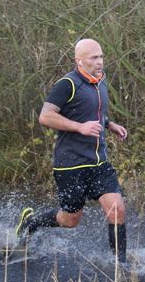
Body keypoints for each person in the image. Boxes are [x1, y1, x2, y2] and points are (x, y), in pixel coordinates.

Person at [16, 38, 128, 263]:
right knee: (70, 220)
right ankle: (31, 223)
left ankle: (121, 267)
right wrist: (80, 127)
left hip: (98, 162)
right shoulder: (67, 83)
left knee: (117, 210)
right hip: (71, 164)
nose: (100, 62)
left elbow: (92, 111)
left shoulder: (101, 82)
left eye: (101, 56)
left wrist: (109, 124)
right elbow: (45, 116)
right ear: (79, 60)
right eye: (94, 58)